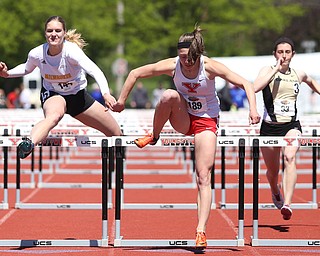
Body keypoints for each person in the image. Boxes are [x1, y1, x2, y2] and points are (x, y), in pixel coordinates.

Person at [113, 26, 261, 248]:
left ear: (198, 54)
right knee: (168, 95)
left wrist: (253, 109)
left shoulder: (209, 66)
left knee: (203, 175)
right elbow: (135, 73)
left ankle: (201, 230)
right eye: (182, 57)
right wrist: (121, 101)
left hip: (206, 121)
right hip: (183, 117)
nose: (186, 62)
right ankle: (154, 135)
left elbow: (246, 83)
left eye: (190, 58)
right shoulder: (174, 65)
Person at [0, 15, 122, 159]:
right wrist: (6, 74)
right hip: (53, 94)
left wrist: (106, 94)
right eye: (49, 31)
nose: (53, 34)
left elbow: (95, 70)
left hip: (78, 97)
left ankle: (115, 167)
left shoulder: (72, 52)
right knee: (54, 116)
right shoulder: (37, 54)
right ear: (45, 33)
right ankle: (29, 144)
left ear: (64, 33)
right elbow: (26, 69)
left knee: (116, 133)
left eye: (58, 31)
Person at [253, 37, 320, 220]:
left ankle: (288, 204)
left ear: (293, 54)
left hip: (291, 126)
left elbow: (312, 82)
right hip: (269, 127)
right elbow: (255, 87)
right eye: (280, 52)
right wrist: (275, 69)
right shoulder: (267, 70)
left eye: (287, 52)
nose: (284, 55)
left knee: (289, 157)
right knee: (273, 171)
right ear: (275, 54)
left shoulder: (298, 74)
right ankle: (275, 191)